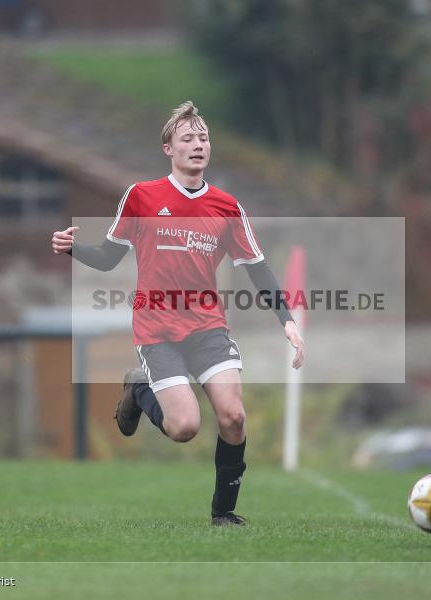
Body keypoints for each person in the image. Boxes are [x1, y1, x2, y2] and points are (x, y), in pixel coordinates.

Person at [51, 101, 306, 526]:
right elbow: (109, 258)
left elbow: (257, 269)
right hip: (158, 331)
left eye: (203, 138)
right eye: (187, 138)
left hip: (207, 328)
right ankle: (139, 389)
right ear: (168, 148)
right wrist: (72, 247)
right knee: (184, 427)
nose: (198, 145)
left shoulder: (227, 207)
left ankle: (222, 513)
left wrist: (288, 321)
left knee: (234, 416)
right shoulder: (141, 196)